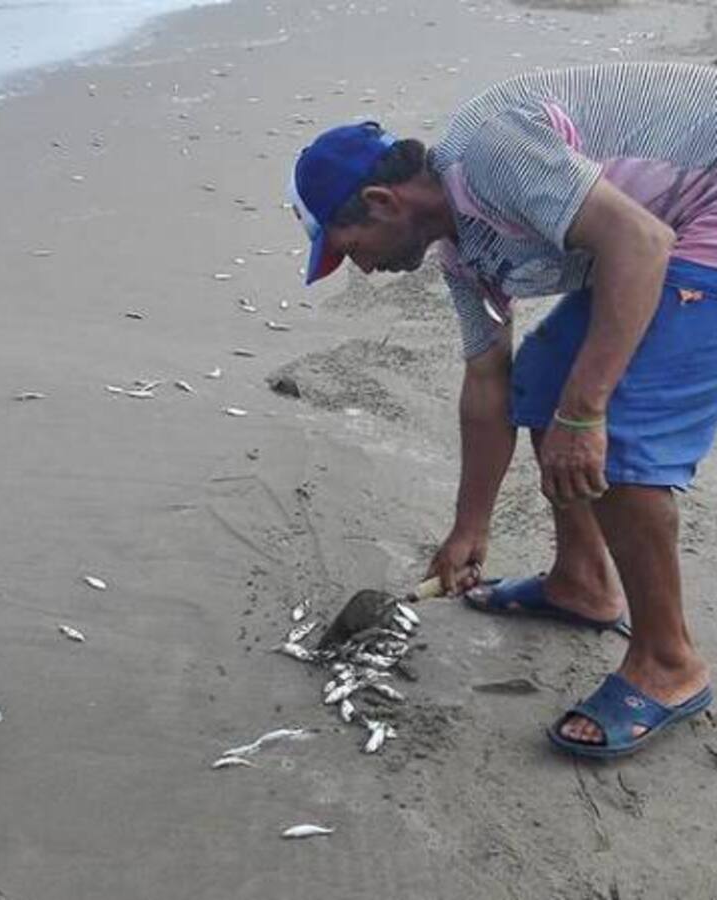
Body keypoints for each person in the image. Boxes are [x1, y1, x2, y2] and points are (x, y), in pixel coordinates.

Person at [288, 61, 717, 758]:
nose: (361, 270)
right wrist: (470, 527)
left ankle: (669, 663)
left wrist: (585, 416)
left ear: (382, 201)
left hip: (692, 210)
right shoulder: (464, 257)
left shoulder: (490, 152)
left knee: (619, 432)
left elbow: (640, 244)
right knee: (542, 381)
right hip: (664, 222)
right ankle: (582, 582)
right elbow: (488, 385)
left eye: (350, 250)